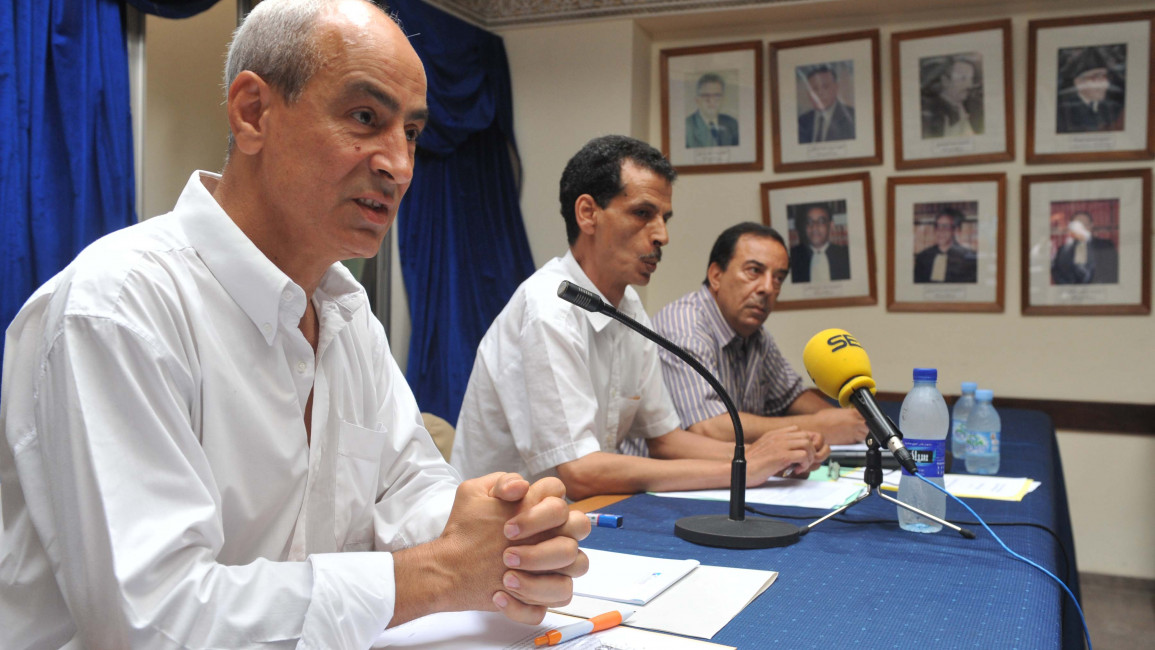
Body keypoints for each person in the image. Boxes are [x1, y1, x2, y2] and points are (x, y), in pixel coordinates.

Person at [0, 2, 589, 648]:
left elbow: (405, 485)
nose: (399, 164)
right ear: (253, 112)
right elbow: (156, 621)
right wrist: (440, 571)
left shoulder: (345, 309)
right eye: (365, 118)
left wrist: (497, 532)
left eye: (412, 133)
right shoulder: (117, 307)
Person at [452, 136, 827, 501]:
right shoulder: (548, 308)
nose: (662, 235)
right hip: (500, 537)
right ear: (588, 213)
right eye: (643, 214)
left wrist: (768, 454)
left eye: (664, 218)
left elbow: (665, 440)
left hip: (579, 519)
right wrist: (745, 469)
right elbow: (579, 473)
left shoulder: (629, 306)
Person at [653, 223, 867, 446]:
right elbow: (707, 427)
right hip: (658, 477)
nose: (768, 288)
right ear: (716, 276)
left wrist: (852, 426)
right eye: (754, 271)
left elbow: (792, 397)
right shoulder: (684, 327)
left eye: (778, 278)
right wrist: (819, 427)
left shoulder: (758, 337)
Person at [1056, 47, 1124, 133]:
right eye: (1097, 77)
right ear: (1078, 82)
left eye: (1106, 76)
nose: (1106, 83)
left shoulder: (1112, 108)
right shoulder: (1061, 112)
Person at [921, 56, 983, 138]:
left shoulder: (975, 106)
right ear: (945, 81)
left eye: (971, 79)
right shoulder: (930, 113)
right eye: (963, 79)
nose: (970, 85)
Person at [789, 203, 851, 283]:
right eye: (809, 222)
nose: (814, 227)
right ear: (804, 226)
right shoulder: (792, 257)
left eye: (821, 221)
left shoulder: (846, 256)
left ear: (831, 226)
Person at [1051, 211, 1118, 284]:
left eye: (1084, 224)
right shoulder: (1063, 250)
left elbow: (1114, 270)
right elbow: (1057, 273)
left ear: (1091, 225)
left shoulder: (1106, 246)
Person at [913, 207, 978, 284]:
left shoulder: (970, 259)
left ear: (955, 230)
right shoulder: (922, 257)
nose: (940, 231)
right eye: (938, 226)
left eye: (945, 226)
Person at [797, 65, 855, 143]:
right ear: (808, 93)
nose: (820, 93)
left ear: (836, 88)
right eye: (815, 89)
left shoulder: (852, 117)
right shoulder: (801, 122)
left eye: (825, 87)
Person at [685, 73, 740, 147]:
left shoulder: (732, 124)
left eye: (717, 95)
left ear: (723, 99)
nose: (711, 101)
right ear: (697, 100)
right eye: (706, 95)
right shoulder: (687, 126)